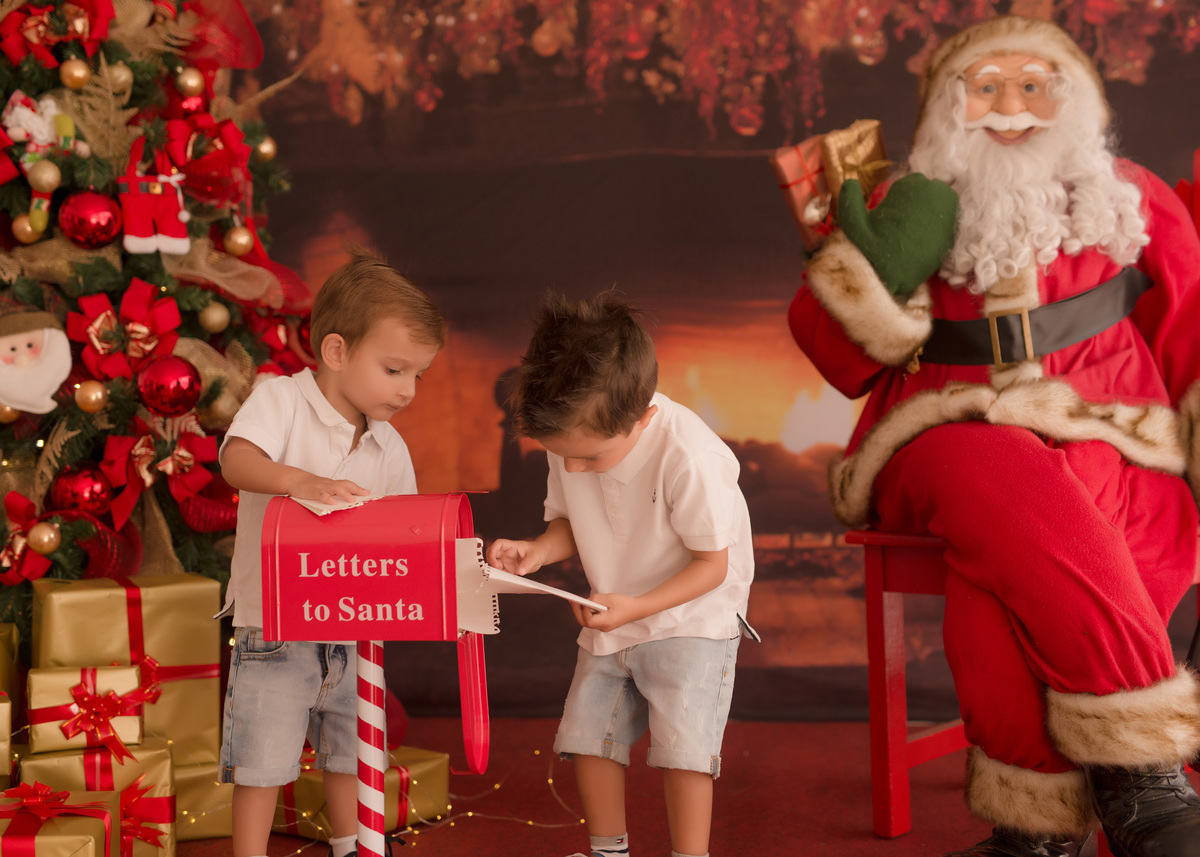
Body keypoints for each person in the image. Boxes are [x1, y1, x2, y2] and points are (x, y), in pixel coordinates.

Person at [789, 15, 1200, 857]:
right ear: (950, 106)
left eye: (1032, 86)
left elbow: (1191, 322)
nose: (1010, 107)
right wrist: (845, 252)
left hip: (1103, 425)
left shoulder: (1127, 195)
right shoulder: (903, 202)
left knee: (1046, 512)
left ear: (1074, 99)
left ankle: (1034, 831)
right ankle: (1144, 770)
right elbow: (837, 356)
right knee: (995, 458)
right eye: (987, 88)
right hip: (935, 428)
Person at [487, 293, 756, 857]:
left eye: (590, 458)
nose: (576, 468)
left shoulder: (689, 457)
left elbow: (714, 566)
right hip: (615, 611)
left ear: (644, 416)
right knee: (588, 737)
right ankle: (609, 850)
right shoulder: (573, 440)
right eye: (564, 457)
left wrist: (636, 607)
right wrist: (539, 550)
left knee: (683, 748)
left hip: (692, 617)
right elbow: (568, 519)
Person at [217, 248, 446, 857]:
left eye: (418, 375)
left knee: (352, 747)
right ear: (337, 351)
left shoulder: (388, 444)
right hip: (275, 622)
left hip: (353, 627)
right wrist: (298, 482)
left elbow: (406, 531)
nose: (409, 390)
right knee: (264, 758)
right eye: (395, 370)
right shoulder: (280, 401)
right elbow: (235, 462)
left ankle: (354, 844)